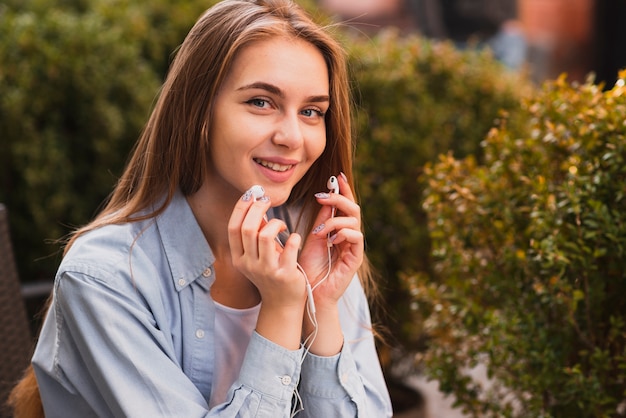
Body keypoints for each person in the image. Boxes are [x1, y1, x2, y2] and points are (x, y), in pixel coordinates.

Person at [8, 0, 393, 417]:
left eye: (312, 111)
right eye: (261, 102)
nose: (292, 137)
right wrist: (283, 309)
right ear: (198, 111)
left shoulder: (316, 247)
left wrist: (322, 305)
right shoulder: (104, 279)